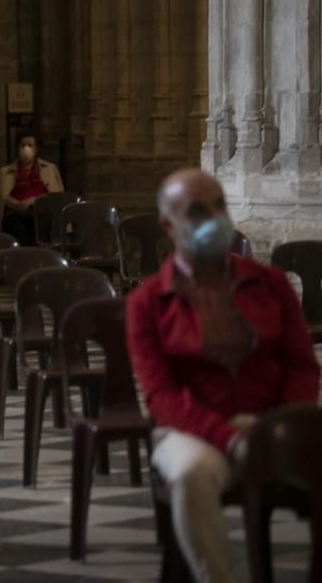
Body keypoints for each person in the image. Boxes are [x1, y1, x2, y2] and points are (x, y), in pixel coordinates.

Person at [126, 168, 320, 583]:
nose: (214, 218)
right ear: (168, 225)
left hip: (274, 422)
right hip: (195, 429)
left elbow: (301, 365)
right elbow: (163, 395)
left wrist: (279, 428)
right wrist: (228, 437)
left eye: (219, 206)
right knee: (190, 473)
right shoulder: (148, 302)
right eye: (197, 211)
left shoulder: (270, 284)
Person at [0, 132, 64, 245]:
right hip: (14, 214)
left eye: (30, 145)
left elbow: (56, 196)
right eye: (22, 145)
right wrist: (18, 205)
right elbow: (2, 197)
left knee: (34, 223)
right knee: (19, 223)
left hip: (40, 213)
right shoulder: (6, 172)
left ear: (36, 149)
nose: (26, 148)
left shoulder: (50, 169)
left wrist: (34, 201)